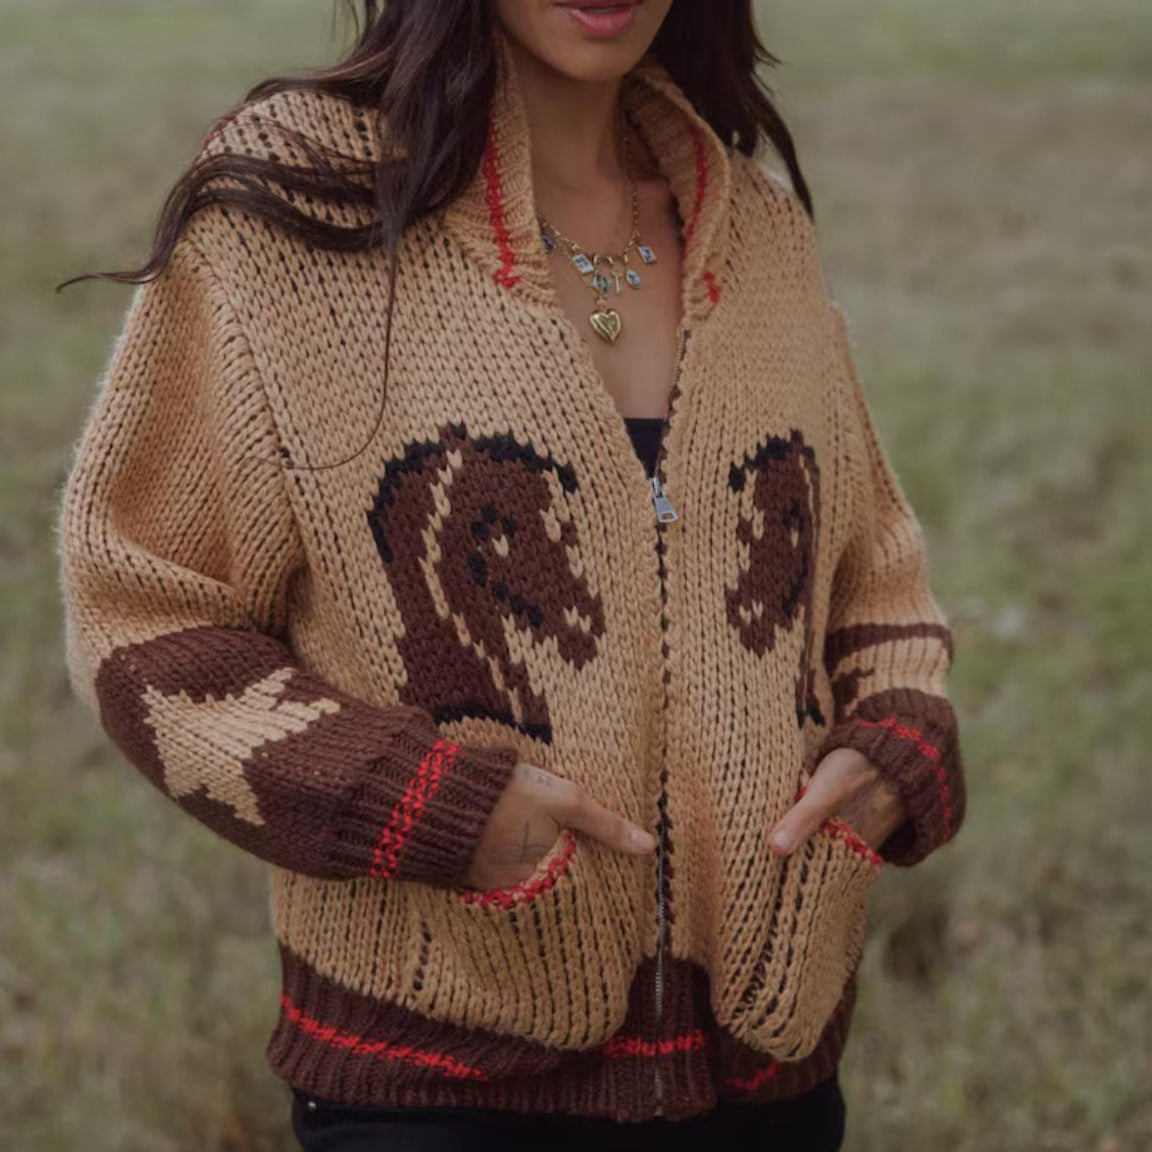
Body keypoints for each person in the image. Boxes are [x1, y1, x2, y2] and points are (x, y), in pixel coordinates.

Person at [55, 1, 967, 1149]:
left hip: (767, 1086)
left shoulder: (755, 226)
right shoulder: (296, 209)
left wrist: (896, 750)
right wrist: (430, 810)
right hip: (437, 1087)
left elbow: (873, 573)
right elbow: (143, 613)